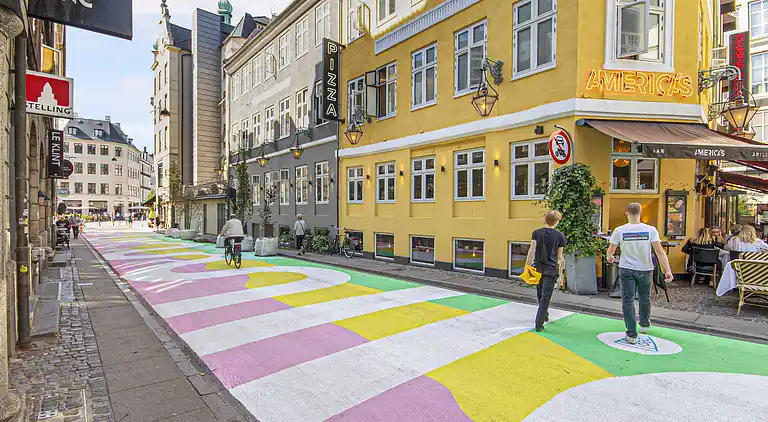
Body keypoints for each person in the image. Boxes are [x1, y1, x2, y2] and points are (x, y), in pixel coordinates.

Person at [606, 203, 673, 345]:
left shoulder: (619, 230)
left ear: (627, 213)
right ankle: (644, 323)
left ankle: (631, 334)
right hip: (645, 268)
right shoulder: (650, 230)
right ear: (641, 213)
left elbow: (611, 250)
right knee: (645, 297)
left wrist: (610, 257)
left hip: (626, 268)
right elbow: (660, 252)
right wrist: (668, 270)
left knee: (627, 300)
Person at [524, 210, 566, 332]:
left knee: (539, 294)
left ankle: (543, 315)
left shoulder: (536, 233)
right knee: (546, 296)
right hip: (551, 269)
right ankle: (539, 323)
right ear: (556, 222)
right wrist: (562, 268)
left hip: (538, 268)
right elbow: (559, 255)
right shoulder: (559, 236)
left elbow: (532, 249)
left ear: (546, 220)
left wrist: (527, 265)